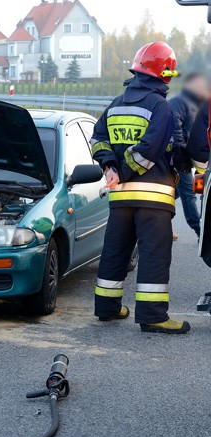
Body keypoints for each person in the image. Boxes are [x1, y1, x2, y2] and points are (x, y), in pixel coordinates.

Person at [90, 41, 189, 334]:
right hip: (153, 197)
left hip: (120, 199)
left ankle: (107, 309)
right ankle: (153, 316)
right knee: (154, 254)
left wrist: (109, 168)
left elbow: (98, 139)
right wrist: (120, 170)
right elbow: (150, 149)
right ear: (165, 74)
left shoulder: (116, 103)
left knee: (115, 251)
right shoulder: (161, 107)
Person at [169, 72, 208, 238]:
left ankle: (160, 225)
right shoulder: (179, 102)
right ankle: (201, 233)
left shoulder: (196, 104)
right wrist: (181, 153)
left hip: (190, 158)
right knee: (189, 194)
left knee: (176, 193)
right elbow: (174, 127)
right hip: (179, 158)